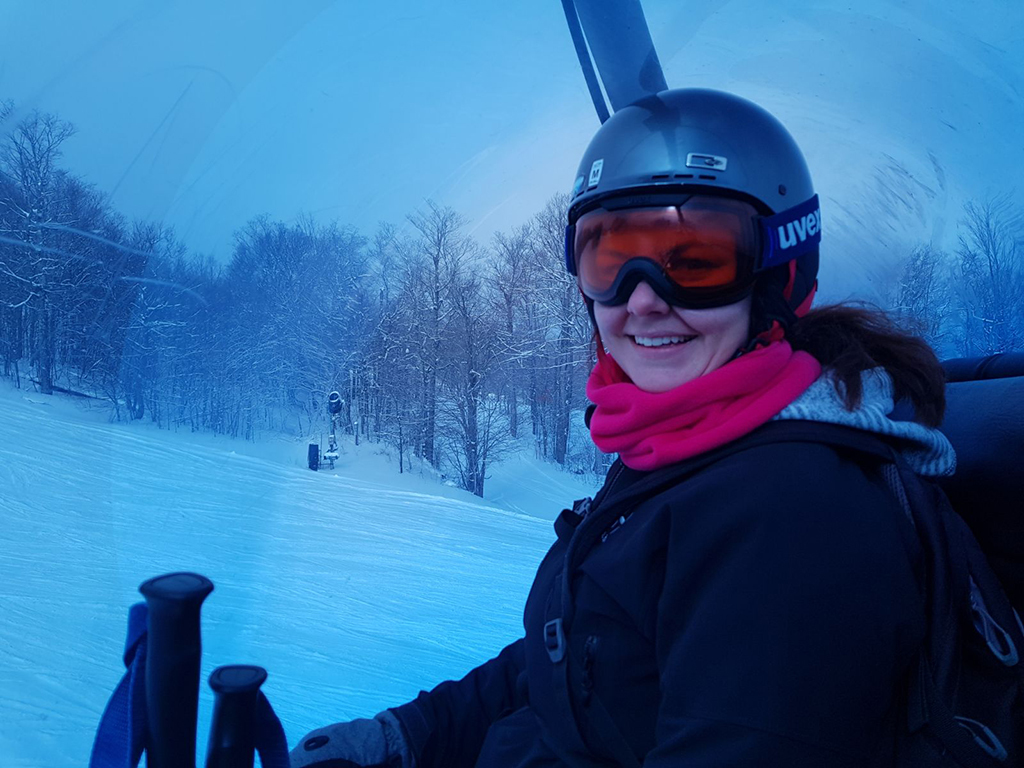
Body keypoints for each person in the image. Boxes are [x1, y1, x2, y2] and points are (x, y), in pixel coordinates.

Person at [290, 88, 954, 768]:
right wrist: (410, 735)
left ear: (780, 275)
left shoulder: (792, 520)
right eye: (610, 260)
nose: (641, 299)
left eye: (695, 262)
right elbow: (581, 652)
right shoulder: (688, 442)